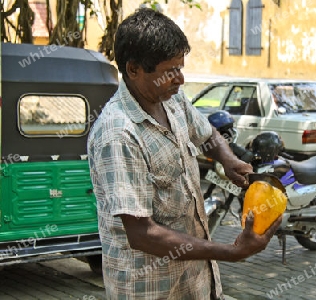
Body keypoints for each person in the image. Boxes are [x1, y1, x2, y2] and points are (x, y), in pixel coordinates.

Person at [87, 8, 281, 300]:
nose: (180, 79)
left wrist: (227, 160)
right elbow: (142, 233)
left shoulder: (171, 99)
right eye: (169, 71)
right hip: (149, 287)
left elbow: (207, 134)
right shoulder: (118, 134)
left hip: (194, 280)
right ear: (133, 70)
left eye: (180, 67)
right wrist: (231, 251)